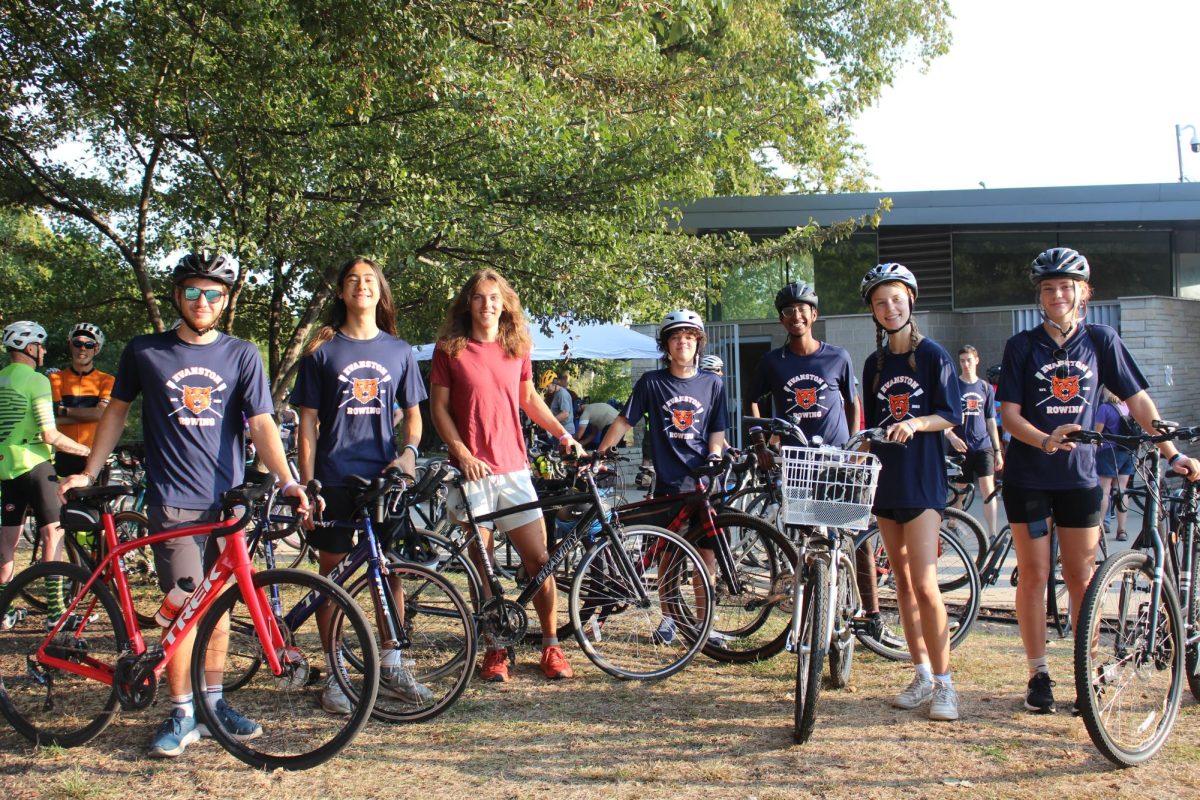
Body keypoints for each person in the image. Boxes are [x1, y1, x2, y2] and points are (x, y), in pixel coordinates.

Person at [58, 252, 309, 758]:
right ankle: (182, 712)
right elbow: (116, 414)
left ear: (225, 300)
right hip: (173, 502)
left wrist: (287, 480)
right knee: (184, 610)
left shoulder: (242, 354)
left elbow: (261, 424)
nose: (202, 301)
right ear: (178, 296)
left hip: (228, 503)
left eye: (213, 293)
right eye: (193, 291)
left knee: (215, 611)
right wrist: (87, 469)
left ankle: (213, 704)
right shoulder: (146, 350)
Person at [999, 246, 1200, 714]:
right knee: (1034, 574)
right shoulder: (1022, 346)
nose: (1057, 295)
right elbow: (1008, 415)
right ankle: (1038, 673)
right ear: (1040, 295)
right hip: (1029, 478)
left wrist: (1173, 453)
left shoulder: (1101, 340)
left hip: (1082, 479)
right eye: (1048, 288)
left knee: (1082, 578)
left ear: (1083, 292)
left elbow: (1140, 403)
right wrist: (1045, 440)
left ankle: (1085, 674)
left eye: (1066, 287)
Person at [292, 256, 432, 713]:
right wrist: (307, 480)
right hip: (332, 477)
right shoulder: (322, 350)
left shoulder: (400, 350)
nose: (361, 286)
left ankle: (391, 665)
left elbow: (415, 418)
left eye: (369, 280)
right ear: (341, 292)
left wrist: (408, 454)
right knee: (333, 578)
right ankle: (336, 675)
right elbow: (307, 425)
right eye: (352, 279)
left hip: (383, 480)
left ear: (380, 291)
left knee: (387, 572)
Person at [429, 269, 584, 683]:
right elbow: (438, 410)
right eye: (479, 297)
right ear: (468, 304)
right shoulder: (450, 349)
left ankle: (551, 645)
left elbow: (529, 398)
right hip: (471, 474)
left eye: (494, 297)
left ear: (505, 304)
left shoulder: (516, 347)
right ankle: (497, 648)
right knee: (484, 570)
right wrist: (461, 452)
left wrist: (563, 434)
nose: (487, 304)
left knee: (540, 561)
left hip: (514, 469)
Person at [859, 263, 962, 721]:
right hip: (887, 481)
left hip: (923, 480)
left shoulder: (935, 355)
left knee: (924, 582)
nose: (889, 307)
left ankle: (945, 684)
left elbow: (950, 414)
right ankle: (920, 672)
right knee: (899, 582)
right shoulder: (874, 363)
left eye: (896, 299)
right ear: (873, 312)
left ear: (910, 301)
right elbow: (872, 424)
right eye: (881, 302)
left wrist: (915, 423)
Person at [745, 282, 879, 632]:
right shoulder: (773, 361)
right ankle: (809, 614)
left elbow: (853, 402)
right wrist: (761, 444)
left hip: (836, 459)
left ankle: (872, 614)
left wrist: (854, 445)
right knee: (803, 541)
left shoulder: (838, 356)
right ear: (781, 319)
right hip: (797, 461)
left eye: (802, 309)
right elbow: (752, 400)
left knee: (853, 531)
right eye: (788, 311)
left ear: (814, 315)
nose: (796, 316)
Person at [596, 309, 727, 644]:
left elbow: (716, 430)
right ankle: (668, 620)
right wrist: (600, 453)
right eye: (675, 337)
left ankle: (703, 625)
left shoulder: (713, 383)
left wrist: (714, 456)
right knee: (668, 558)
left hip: (703, 484)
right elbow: (625, 420)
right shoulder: (652, 383)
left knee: (705, 560)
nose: (682, 342)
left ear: (698, 343)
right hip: (669, 484)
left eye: (689, 337)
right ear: (666, 345)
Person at [0, 321, 90, 629]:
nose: (44, 351)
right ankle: (55, 612)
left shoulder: (1, 379)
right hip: (36, 467)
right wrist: (86, 451)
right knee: (54, 533)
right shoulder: (37, 381)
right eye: (41, 346)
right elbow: (50, 435)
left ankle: (3, 611)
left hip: (6, 469)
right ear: (29, 348)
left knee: (8, 540)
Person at [944, 345, 1004, 538]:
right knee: (959, 490)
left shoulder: (985, 387)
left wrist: (997, 450)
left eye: (969, 360)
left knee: (988, 489)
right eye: (962, 361)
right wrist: (951, 436)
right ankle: (954, 524)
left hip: (983, 445)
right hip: (960, 446)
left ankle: (992, 532)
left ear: (976, 360)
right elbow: (942, 418)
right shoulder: (953, 386)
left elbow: (990, 420)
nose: (966, 364)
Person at [49, 323, 115, 478]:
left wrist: (64, 410)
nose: (83, 349)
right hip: (65, 453)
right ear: (70, 345)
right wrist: (91, 414)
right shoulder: (55, 379)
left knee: (98, 502)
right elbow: (54, 418)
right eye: (77, 343)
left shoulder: (107, 380)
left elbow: (101, 414)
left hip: (96, 454)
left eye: (89, 344)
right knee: (62, 501)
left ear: (96, 348)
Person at [1093, 388, 1133, 542]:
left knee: (1104, 490)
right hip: (1127, 451)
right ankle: (1122, 530)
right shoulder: (1127, 407)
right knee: (1122, 490)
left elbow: (1097, 433)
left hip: (1108, 451)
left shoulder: (1104, 409)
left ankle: (1100, 529)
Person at [540, 369, 575, 440]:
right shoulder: (556, 393)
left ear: (554, 383)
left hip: (566, 431)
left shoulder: (562, 394)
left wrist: (550, 422)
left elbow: (565, 414)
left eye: (548, 386)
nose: (547, 389)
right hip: (560, 430)